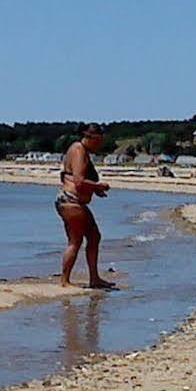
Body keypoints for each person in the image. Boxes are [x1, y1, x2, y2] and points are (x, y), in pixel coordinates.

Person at [56, 123, 114, 288]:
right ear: (90, 138)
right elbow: (79, 181)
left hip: (72, 202)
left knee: (94, 237)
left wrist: (95, 190)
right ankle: (65, 281)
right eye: (98, 141)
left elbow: (81, 180)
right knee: (75, 241)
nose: (100, 144)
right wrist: (98, 186)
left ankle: (94, 278)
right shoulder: (79, 150)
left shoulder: (82, 151)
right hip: (71, 201)